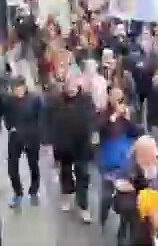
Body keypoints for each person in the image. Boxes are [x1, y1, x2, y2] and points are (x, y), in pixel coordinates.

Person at [47, 77, 96, 220]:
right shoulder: (57, 101)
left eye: (74, 86)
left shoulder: (86, 100)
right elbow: (49, 119)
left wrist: (93, 133)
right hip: (64, 144)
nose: (72, 89)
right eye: (69, 86)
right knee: (66, 171)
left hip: (82, 144)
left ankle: (83, 205)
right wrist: (49, 139)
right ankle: (67, 195)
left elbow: (92, 118)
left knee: (83, 174)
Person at [98, 87, 144, 228]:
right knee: (107, 193)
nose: (119, 101)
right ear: (110, 98)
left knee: (126, 195)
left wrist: (128, 119)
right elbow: (100, 129)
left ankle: (123, 227)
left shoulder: (125, 117)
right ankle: (103, 217)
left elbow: (136, 132)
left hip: (123, 161)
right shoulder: (104, 114)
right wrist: (113, 117)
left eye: (121, 97)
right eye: (116, 97)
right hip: (108, 160)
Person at [114, 135, 158, 244]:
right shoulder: (128, 167)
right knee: (128, 235)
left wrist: (156, 193)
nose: (153, 158)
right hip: (133, 213)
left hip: (151, 214)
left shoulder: (157, 166)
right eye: (148, 155)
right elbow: (120, 187)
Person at [3, 77, 43, 208]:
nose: (18, 91)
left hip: (31, 136)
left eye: (19, 88)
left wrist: (38, 132)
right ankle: (18, 191)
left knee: (33, 164)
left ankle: (34, 190)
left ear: (24, 88)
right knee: (12, 166)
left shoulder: (34, 99)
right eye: (15, 89)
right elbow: (5, 116)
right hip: (15, 137)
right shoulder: (9, 101)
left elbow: (40, 117)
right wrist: (10, 127)